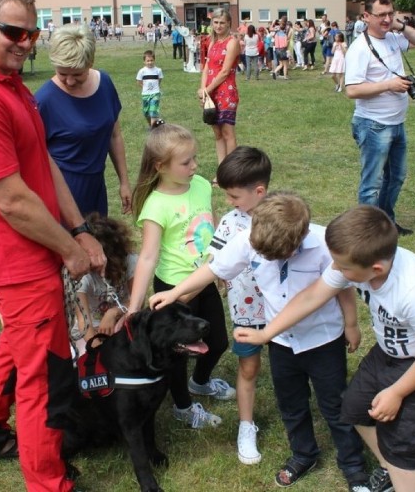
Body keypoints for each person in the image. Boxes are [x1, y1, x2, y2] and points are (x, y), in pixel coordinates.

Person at [0, 0, 106, 491]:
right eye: (13, 31)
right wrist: (69, 249)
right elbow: (11, 200)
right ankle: (48, 482)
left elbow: (45, 165)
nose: (25, 42)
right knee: (45, 380)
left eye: (32, 32)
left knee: (17, 347)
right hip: (20, 262)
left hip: (34, 253)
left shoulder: (11, 85)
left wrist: (79, 229)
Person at [236, 205, 415, 492]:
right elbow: (312, 296)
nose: (336, 270)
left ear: (375, 269)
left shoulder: (413, 291)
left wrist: (396, 392)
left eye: (342, 267)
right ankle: (389, 468)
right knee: (354, 407)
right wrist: (267, 333)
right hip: (390, 351)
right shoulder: (355, 262)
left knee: (402, 444)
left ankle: (398, 467)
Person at [151, 193, 370, 491]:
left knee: (335, 404)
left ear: (298, 240)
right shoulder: (249, 238)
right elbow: (212, 270)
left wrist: (352, 323)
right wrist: (175, 294)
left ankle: (353, 465)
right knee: (290, 402)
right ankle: (303, 453)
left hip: (323, 340)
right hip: (281, 342)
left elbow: (341, 287)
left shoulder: (324, 246)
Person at [126, 123, 234, 430]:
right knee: (176, 354)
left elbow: (210, 226)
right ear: (161, 167)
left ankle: (200, 382)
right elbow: (147, 257)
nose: (194, 166)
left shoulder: (200, 184)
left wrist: (220, 266)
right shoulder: (155, 205)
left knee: (217, 341)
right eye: (186, 162)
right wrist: (134, 307)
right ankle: (183, 407)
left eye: (194, 159)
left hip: (204, 279)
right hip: (173, 288)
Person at [205, 146, 270, 465]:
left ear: (259, 191)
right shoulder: (230, 222)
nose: (229, 204)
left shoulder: (281, 215)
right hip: (245, 312)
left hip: (283, 313)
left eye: (234, 197)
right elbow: (213, 255)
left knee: (291, 367)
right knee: (249, 367)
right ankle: (246, 426)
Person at [344, 0, 415, 236]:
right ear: (366, 16)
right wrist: (389, 85)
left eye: (390, 13)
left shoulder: (391, 37)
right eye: (381, 15)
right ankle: (367, 232)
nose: (387, 19)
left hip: (397, 122)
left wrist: (400, 24)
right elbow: (352, 90)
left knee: (396, 177)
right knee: (372, 183)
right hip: (373, 124)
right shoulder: (359, 49)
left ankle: (386, 222)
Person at [35, 23, 132, 216]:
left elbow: (114, 135)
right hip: (63, 191)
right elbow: (35, 156)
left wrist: (124, 182)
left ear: (91, 62)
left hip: (96, 185)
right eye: (62, 73)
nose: (70, 81)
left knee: (98, 242)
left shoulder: (104, 83)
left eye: (78, 74)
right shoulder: (44, 100)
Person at [71, 213, 137, 354]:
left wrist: (114, 313)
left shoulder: (130, 261)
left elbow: (137, 300)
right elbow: (84, 321)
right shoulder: (82, 275)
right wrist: (96, 348)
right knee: (85, 355)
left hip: (124, 320)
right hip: (92, 328)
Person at [197, 7, 240, 168]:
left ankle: (232, 170)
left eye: (222, 23)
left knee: (228, 132)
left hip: (226, 92)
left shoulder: (232, 42)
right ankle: (222, 170)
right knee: (217, 133)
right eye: (215, 22)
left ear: (229, 23)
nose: (218, 26)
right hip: (211, 92)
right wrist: (203, 90)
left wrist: (207, 90)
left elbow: (225, 72)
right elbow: (207, 67)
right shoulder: (212, 42)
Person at [135, 50, 165, 129]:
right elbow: (139, 81)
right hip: (145, 94)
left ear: (154, 60)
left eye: (151, 60)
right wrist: (145, 88)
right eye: (148, 61)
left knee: (153, 112)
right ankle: (151, 124)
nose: (150, 62)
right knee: (146, 113)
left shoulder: (158, 70)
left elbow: (159, 80)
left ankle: (153, 129)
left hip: (155, 93)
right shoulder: (142, 71)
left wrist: (155, 88)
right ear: (144, 61)